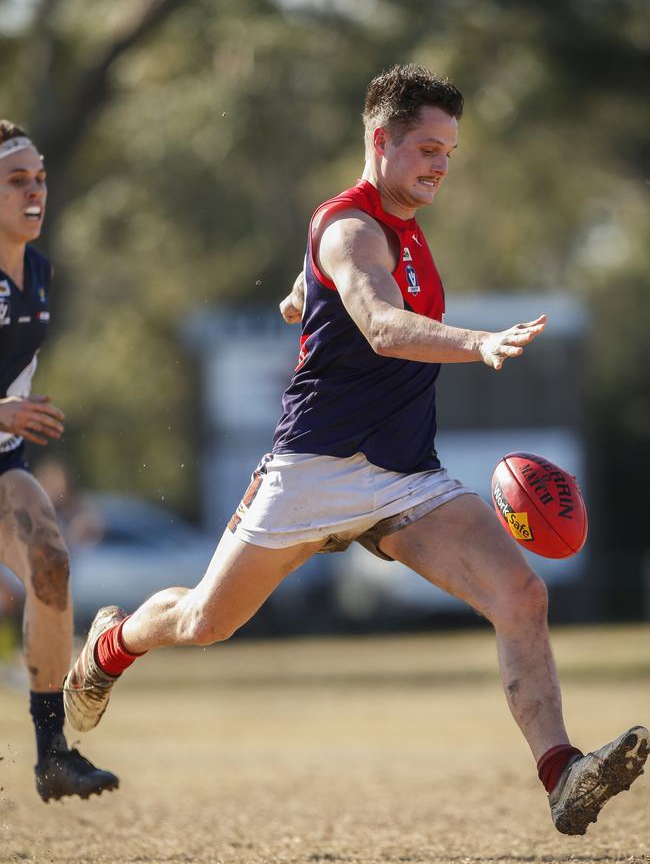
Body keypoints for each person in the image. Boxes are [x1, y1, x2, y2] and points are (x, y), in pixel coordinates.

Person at [63, 66, 647, 835]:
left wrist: (305, 296)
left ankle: (561, 772)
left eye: (450, 151)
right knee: (207, 620)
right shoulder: (350, 226)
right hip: (313, 469)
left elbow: (343, 293)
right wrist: (478, 341)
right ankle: (110, 644)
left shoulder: (398, 234)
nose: (441, 164)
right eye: (427, 148)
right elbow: (379, 322)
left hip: (407, 478)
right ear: (381, 140)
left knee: (522, 597)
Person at [0, 120, 119, 801]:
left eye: (39, 178)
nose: (34, 190)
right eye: (17, 180)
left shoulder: (38, 272)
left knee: (51, 560)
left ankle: (52, 755)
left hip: (3, 465)